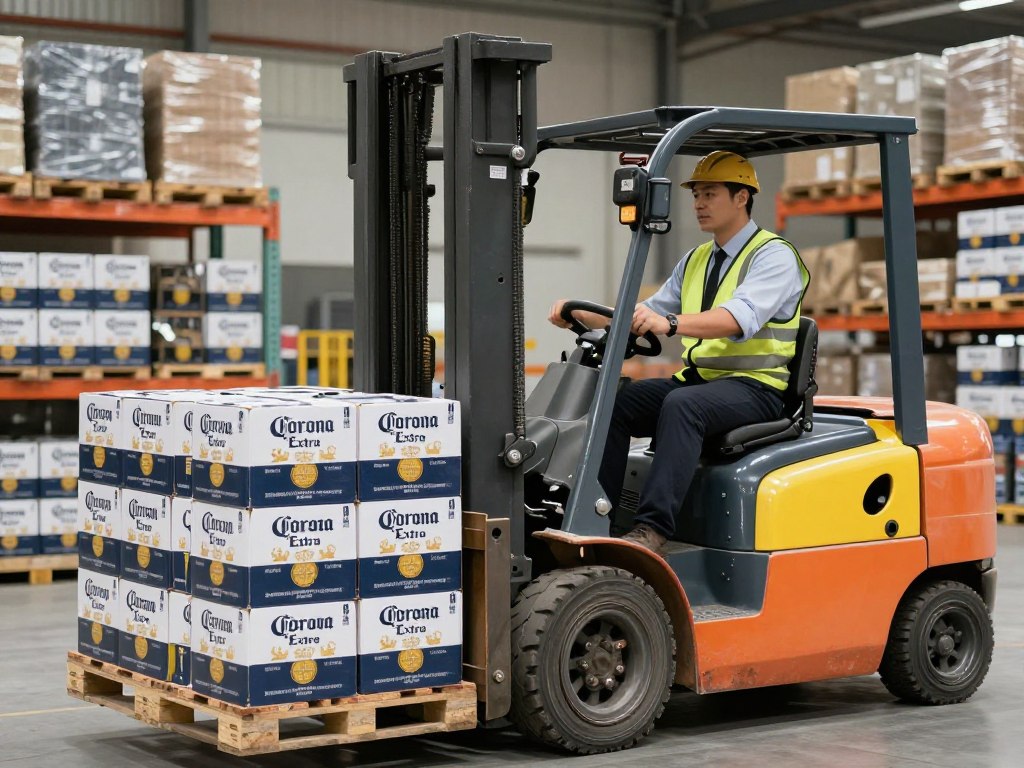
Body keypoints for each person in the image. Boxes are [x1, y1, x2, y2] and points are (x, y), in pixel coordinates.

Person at [548, 150, 808, 556]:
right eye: (696, 195)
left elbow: (737, 318)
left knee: (683, 406)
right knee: (614, 400)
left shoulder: (773, 255)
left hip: (757, 389)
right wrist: (581, 312)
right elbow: (647, 313)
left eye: (710, 194)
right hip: (704, 382)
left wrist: (671, 325)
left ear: (742, 198)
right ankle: (599, 516)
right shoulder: (697, 259)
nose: (699, 204)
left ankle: (651, 530)